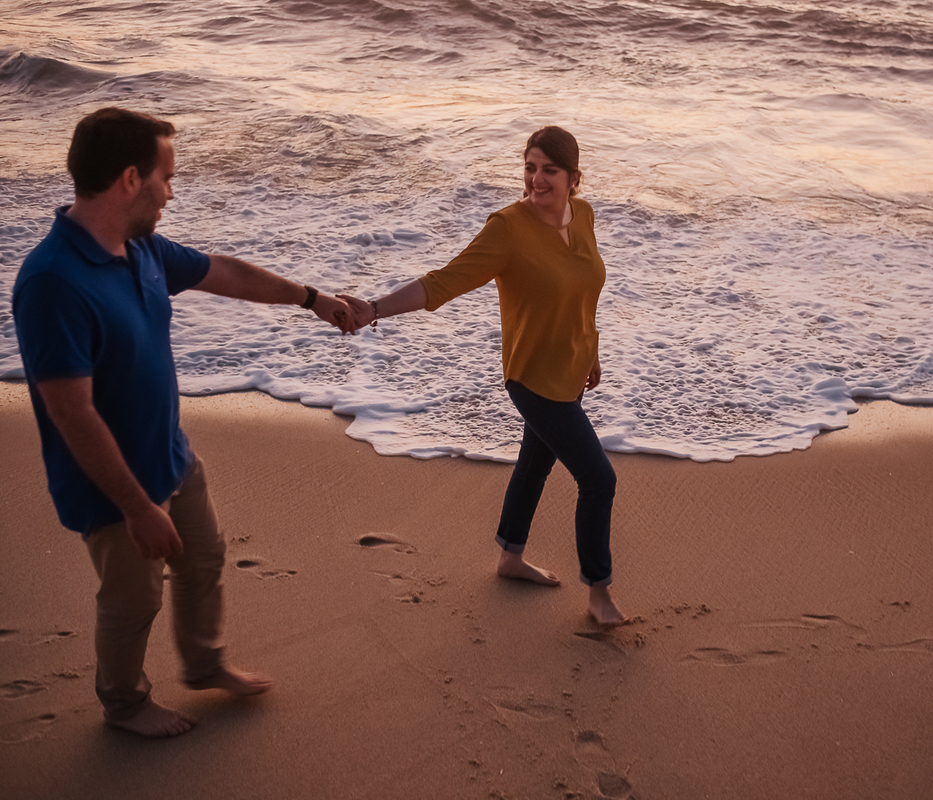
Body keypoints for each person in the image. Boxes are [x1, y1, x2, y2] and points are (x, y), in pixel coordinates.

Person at [12, 107, 355, 738]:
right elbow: (69, 411)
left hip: (170, 454)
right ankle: (124, 704)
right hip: (113, 487)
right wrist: (137, 507)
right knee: (133, 599)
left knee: (204, 558)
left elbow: (222, 271)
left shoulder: (140, 247)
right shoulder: (53, 282)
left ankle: (204, 663)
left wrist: (311, 299)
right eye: (166, 177)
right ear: (129, 179)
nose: (172, 192)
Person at [340, 126, 627, 627]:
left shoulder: (583, 215)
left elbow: (583, 293)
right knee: (599, 479)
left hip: (570, 369)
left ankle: (510, 557)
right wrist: (375, 308)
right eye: (530, 168)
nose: (537, 180)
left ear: (575, 178)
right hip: (531, 376)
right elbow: (444, 282)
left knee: (535, 462)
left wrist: (592, 351)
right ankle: (599, 593)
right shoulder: (508, 229)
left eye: (550, 170)